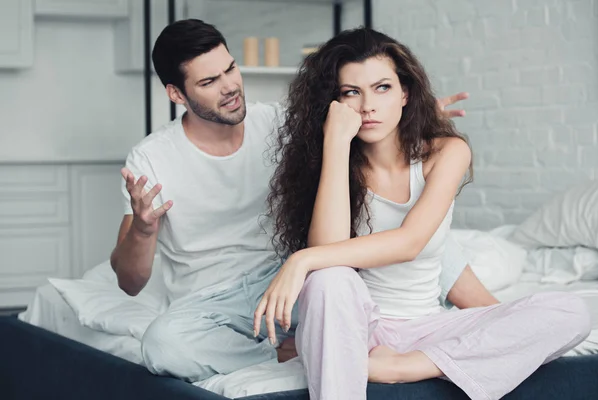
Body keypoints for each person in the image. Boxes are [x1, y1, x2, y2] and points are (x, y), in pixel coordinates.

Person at [111, 19, 496, 383]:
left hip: (295, 276)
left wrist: (405, 121)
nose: (229, 86)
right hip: (219, 303)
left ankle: (489, 313)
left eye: (230, 69)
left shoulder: (279, 123)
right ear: (176, 93)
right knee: (163, 346)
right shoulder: (151, 159)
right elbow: (130, 281)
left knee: (410, 220)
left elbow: (359, 123)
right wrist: (144, 230)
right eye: (210, 81)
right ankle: (295, 352)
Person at [256, 27, 592, 400]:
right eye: (352, 92)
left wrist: (300, 260)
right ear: (333, 103)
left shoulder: (446, 153)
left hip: (427, 327)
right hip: (359, 325)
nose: (368, 106)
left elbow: (410, 242)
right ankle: (343, 359)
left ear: (405, 93)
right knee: (327, 279)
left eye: (382, 88)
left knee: (569, 310)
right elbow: (330, 253)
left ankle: (402, 366)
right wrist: (336, 143)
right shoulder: (333, 164)